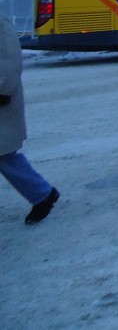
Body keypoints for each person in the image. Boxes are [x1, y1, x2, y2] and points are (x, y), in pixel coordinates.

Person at [0, 13, 60, 224]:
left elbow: (9, 60)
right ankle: (42, 193)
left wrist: (3, 90)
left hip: (2, 99)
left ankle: (42, 194)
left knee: (5, 154)